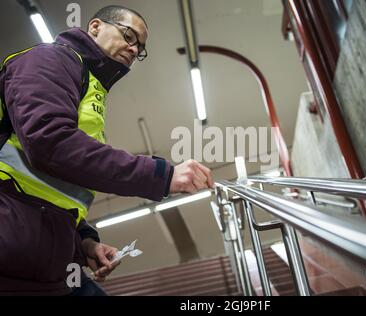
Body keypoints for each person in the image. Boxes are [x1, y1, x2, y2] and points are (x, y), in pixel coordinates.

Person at [0, 5, 213, 296]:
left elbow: (53, 188)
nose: (134, 48)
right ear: (96, 26)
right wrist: (161, 175)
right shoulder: (49, 59)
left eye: (140, 47)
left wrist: (85, 243)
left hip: (43, 256)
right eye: (129, 35)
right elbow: (49, 143)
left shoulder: (90, 88)